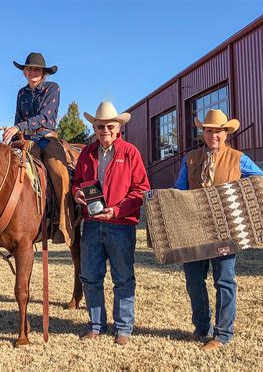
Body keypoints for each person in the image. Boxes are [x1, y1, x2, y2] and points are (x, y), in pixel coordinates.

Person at [174, 109, 263, 351]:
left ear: (226, 133)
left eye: (218, 131)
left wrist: (237, 192)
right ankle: (201, 327)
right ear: (203, 133)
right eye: (209, 131)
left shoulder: (239, 159)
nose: (213, 136)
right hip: (194, 227)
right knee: (194, 280)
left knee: (224, 280)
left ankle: (223, 334)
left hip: (226, 229)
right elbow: (179, 188)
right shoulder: (191, 158)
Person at [72, 101, 150, 345]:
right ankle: (96, 325)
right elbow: (77, 181)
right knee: (90, 276)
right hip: (92, 224)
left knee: (123, 278)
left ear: (118, 128)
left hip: (121, 224)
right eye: (100, 126)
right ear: (94, 128)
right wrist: (76, 193)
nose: (104, 130)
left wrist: (116, 210)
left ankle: (123, 328)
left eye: (109, 126)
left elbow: (141, 190)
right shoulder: (86, 153)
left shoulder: (130, 153)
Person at [3, 52, 74, 245]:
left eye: (37, 69)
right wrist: (14, 137)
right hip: (26, 141)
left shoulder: (52, 88)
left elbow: (45, 117)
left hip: (46, 139)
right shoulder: (21, 93)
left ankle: (64, 223)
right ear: (24, 72)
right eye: (29, 68)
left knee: (58, 172)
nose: (33, 72)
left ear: (43, 73)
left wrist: (19, 127)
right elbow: (18, 118)